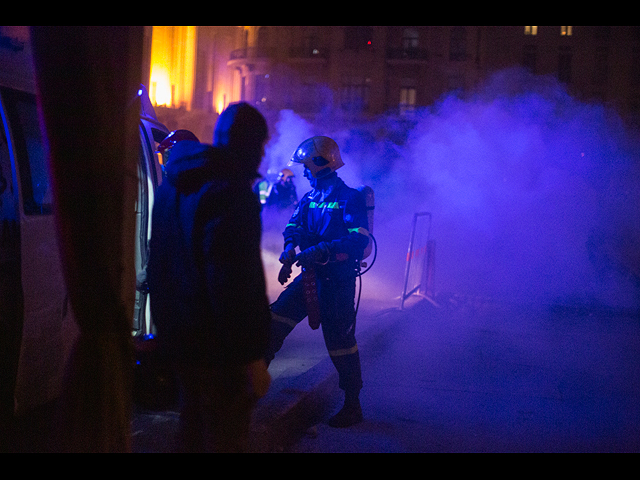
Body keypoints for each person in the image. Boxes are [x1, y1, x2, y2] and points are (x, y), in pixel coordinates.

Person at [146, 102, 272, 452]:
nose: (262, 156)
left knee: (191, 429)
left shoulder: (172, 184)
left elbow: (160, 261)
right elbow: (233, 281)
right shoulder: (231, 192)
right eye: (260, 146)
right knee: (223, 437)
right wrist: (251, 358)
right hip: (222, 353)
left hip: (182, 340)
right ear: (249, 144)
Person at [266, 136, 370, 428]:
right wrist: (289, 248)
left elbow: (359, 238)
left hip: (337, 282)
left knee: (340, 344)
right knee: (273, 323)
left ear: (320, 163)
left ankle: (352, 405)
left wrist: (322, 249)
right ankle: (248, 393)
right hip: (309, 277)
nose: (303, 172)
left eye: (306, 166)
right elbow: (294, 225)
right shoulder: (309, 198)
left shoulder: (351, 198)